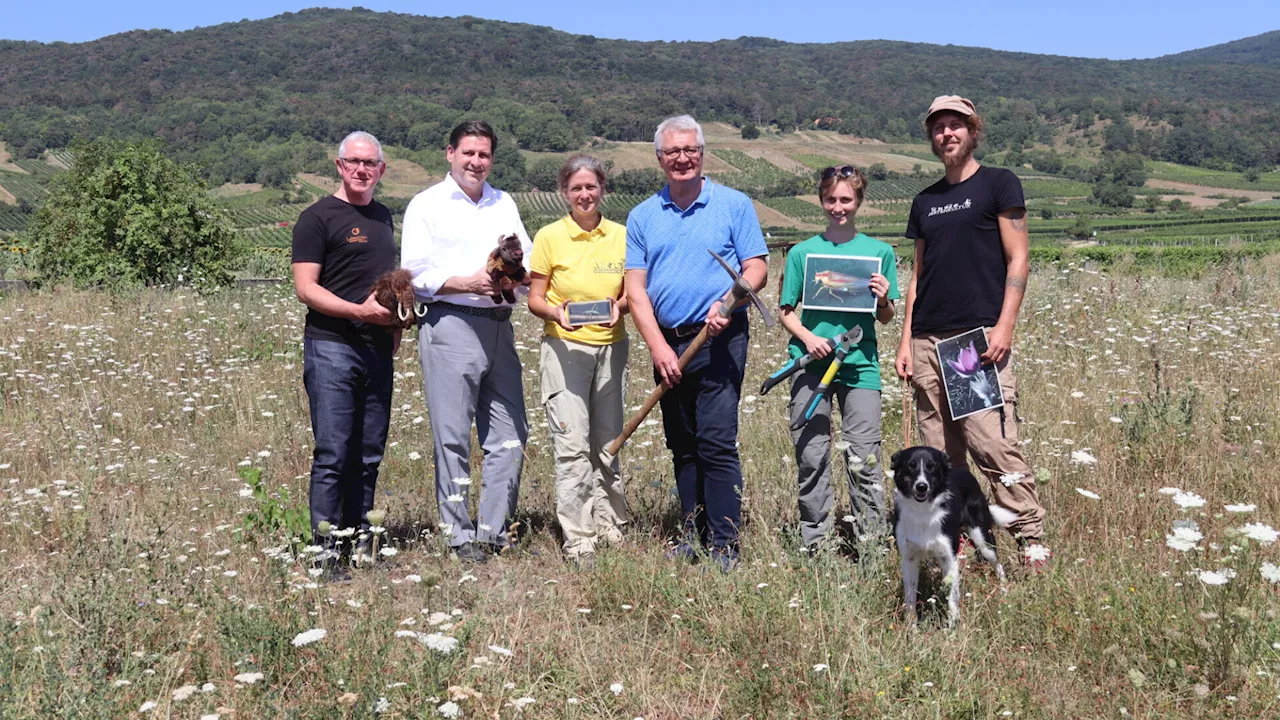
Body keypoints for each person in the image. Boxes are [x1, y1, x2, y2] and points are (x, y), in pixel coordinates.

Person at [893, 95, 1050, 571]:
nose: (947, 134)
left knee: (991, 444)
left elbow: (1018, 258)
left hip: (973, 342)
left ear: (973, 131)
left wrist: (1004, 326)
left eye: (955, 125)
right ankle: (956, 535)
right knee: (939, 455)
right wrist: (905, 340)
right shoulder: (925, 201)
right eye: (939, 127)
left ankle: (1030, 536)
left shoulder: (999, 184)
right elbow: (918, 274)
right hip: (926, 342)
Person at [625, 114, 768, 571]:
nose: (682, 159)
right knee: (681, 442)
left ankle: (725, 544)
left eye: (690, 150)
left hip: (719, 340)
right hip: (668, 343)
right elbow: (636, 290)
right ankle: (692, 533)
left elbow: (757, 269)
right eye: (673, 152)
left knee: (715, 440)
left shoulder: (734, 204)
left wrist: (729, 301)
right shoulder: (643, 215)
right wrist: (658, 347)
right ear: (659, 159)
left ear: (703, 154)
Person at [401, 120, 532, 564]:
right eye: (468, 153)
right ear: (450, 154)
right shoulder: (427, 204)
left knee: (511, 432)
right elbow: (414, 273)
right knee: (453, 435)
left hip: (499, 322)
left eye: (484, 155)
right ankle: (458, 534)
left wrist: (521, 278)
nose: (476, 162)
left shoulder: (504, 202)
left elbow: (525, 257)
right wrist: (465, 283)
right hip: (450, 321)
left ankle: (495, 530)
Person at [291, 131, 398, 580]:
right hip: (332, 345)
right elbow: (306, 288)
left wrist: (393, 329)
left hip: (377, 349)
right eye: (352, 162)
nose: (360, 170)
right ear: (338, 166)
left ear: (381, 170)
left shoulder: (384, 217)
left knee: (369, 451)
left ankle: (356, 541)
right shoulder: (316, 218)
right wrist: (358, 312)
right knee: (334, 451)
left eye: (369, 163)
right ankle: (324, 550)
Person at [779, 165, 898, 555]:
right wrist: (810, 339)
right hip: (810, 363)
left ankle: (873, 544)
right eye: (831, 199)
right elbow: (785, 311)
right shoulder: (801, 253)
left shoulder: (879, 253)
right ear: (821, 201)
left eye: (846, 199)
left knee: (864, 457)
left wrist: (883, 298)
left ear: (858, 202)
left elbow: (886, 315)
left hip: (861, 365)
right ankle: (817, 544)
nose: (838, 206)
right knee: (812, 456)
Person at [527, 155, 631, 568]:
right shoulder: (549, 236)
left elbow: (632, 292)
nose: (584, 195)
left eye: (591, 187)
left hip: (612, 348)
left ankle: (610, 524)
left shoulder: (622, 235)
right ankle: (579, 537)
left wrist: (619, 308)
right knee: (572, 445)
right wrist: (556, 313)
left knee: (608, 443)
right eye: (576, 189)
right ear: (564, 194)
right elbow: (536, 298)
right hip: (564, 351)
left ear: (602, 188)